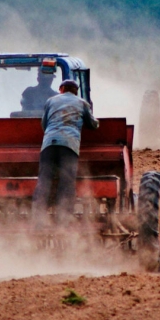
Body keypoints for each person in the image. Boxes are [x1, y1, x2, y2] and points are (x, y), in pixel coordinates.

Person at [31, 79, 99, 226]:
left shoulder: (50, 101)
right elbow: (93, 124)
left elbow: (44, 124)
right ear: (76, 91)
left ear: (61, 89)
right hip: (69, 146)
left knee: (44, 181)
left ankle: (38, 219)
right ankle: (63, 219)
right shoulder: (82, 103)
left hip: (49, 145)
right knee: (66, 182)